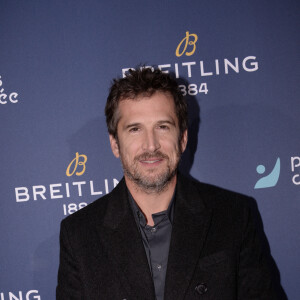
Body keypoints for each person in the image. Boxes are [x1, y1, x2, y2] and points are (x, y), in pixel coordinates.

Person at [56, 67, 279, 299]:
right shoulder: (80, 235)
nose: (150, 145)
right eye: (135, 129)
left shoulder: (233, 216)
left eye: (162, 127)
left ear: (182, 139)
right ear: (115, 144)